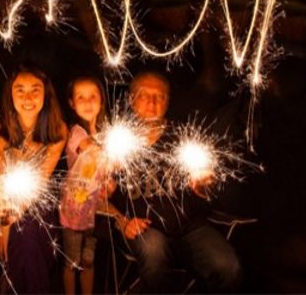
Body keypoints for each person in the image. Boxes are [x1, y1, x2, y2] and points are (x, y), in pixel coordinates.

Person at [102, 71, 242, 292]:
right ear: (130, 99)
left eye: (160, 97)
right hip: (145, 230)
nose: (152, 102)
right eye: (144, 95)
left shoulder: (184, 141)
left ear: (168, 102)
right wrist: (122, 221)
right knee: (154, 250)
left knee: (227, 266)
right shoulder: (118, 144)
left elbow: (204, 190)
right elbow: (97, 198)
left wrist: (203, 185)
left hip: (189, 229)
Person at [0, 62, 68, 294]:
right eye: (19, 90)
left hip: (41, 208)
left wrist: (11, 222)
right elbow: (0, 185)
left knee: (28, 231)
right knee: (23, 237)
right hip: (6, 211)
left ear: (45, 94)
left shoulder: (58, 131)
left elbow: (40, 181)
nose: (27, 97)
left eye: (35, 89)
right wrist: (4, 224)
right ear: (10, 95)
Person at [59, 76, 108, 295]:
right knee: (72, 261)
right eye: (81, 97)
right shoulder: (76, 132)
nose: (88, 102)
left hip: (95, 210)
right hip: (74, 211)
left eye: (93, 97)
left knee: (88, 260)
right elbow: (89, 148)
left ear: (102, 100)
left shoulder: (105, 133)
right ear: (71, 103)